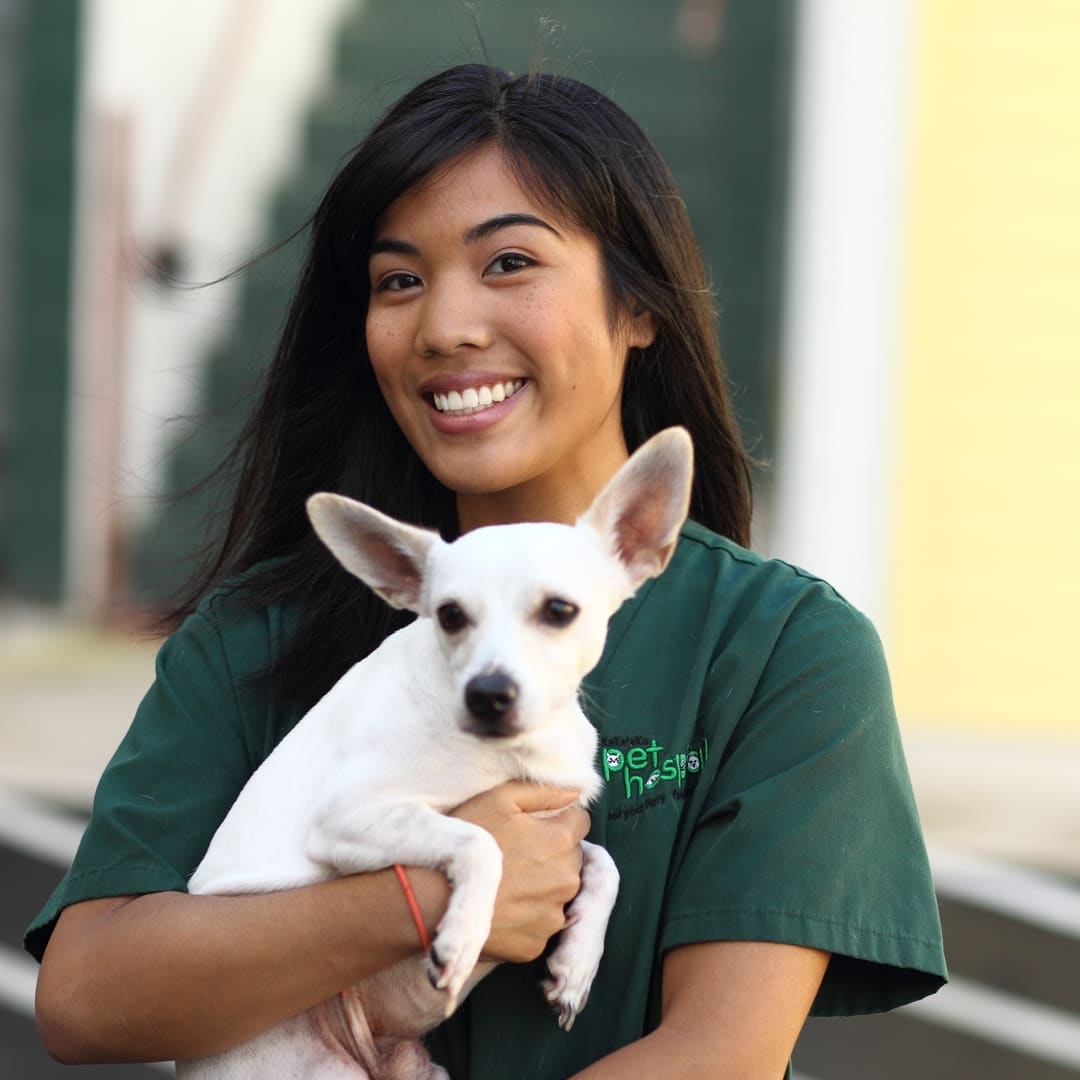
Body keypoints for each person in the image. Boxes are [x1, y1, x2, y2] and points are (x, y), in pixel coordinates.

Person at [27, 63, 946, 1078]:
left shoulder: (781, 650)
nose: (445, 326)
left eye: (509, 262)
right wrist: (414, 897)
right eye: (398, 280)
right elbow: (87, 998)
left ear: (641, 309)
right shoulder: (263, 631)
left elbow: (718, 1054)